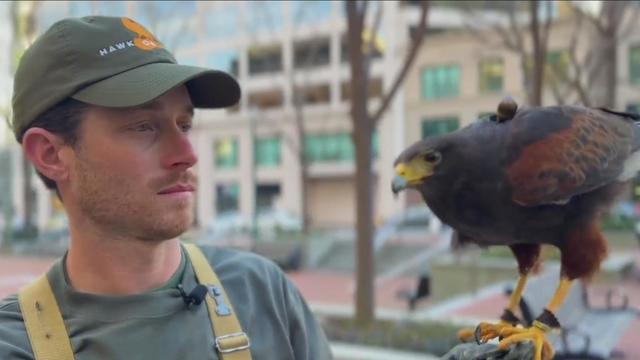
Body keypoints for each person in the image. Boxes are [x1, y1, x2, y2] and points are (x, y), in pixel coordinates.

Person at [0, 16, 332, 360]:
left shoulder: (262, 293)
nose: (187, 155)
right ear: (50, 154)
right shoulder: (15, 345)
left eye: (185, 125)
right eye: (144, 127)